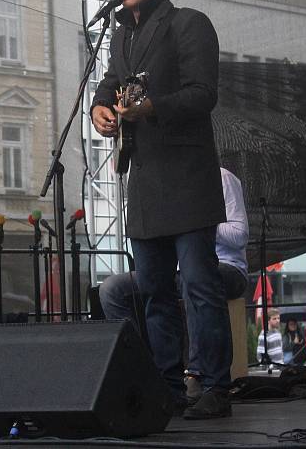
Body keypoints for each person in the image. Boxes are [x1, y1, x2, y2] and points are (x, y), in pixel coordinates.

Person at [91, 0, 229, 419]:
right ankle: (168, 385)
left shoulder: (189, 23)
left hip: (187, 178)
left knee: (198, 286)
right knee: (152, 292)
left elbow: (203, 93)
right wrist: (99, 108)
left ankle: (214, 387)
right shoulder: (121, 34)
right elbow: (111, 81)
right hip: (146, 180)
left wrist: (151, 107)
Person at [99, 167, 249, 400]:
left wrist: (197, 219)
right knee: (112, 289)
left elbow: (239, 235)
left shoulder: (221, 177)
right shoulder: (156, 183)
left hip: (227, 268)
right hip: (173, 271)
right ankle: (141, 372)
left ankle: (197, 374)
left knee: (194, 278)